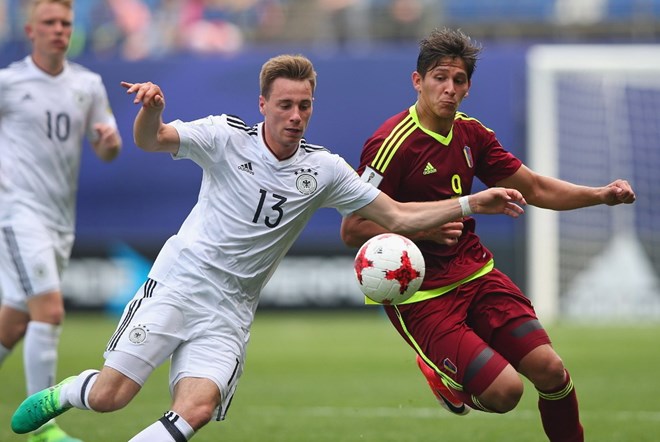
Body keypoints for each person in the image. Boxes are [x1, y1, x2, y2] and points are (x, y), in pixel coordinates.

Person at [11, 53, 526, 441]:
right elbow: (152, 140)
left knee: (196, 410)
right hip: (178, 282)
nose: (296, 115)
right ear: (263, 105)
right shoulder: (224, 137)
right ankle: (64, 393)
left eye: (304, 105)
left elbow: (394, 215)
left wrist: (469, 205)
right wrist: (151, 111)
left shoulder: (324, 169)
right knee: (110, 397)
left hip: (232, 308)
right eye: (285, 104)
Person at [339, 28, 636, 442]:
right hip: (424, 294)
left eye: (458, 81)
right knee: (506, 393)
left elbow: (533, 188)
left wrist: (600, 195)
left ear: (468, 88)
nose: (449, 89)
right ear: (417, 81)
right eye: (439, 77)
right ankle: (443, 377)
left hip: (477, 274)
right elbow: (353, 228)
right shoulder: (391, 143)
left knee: (551, 371)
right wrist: (427, 222)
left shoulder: (472, 134)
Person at [0, 1, 122, 442]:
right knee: (48, 311)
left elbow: (109, 151)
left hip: (58, 222)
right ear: (30, 30)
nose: (58, 30)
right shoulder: (10, 84)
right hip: (17, 215)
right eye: (49, 23)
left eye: (65, 23)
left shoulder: (87, 84)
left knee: (13, 324)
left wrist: (107, 141)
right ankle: (42, 429)